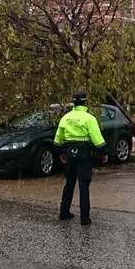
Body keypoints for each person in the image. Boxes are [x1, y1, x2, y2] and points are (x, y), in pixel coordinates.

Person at [53, 91, 108, 225]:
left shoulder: (65, 118)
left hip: (70, 152)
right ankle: (84, 217)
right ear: (85, 102)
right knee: (84, 185)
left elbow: (58, 140)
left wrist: (62, 152)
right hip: (84, 152)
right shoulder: (89, 118)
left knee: (69, 183)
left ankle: (64, 211)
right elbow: (97, 139)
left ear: (73, 102)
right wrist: (104, 152)